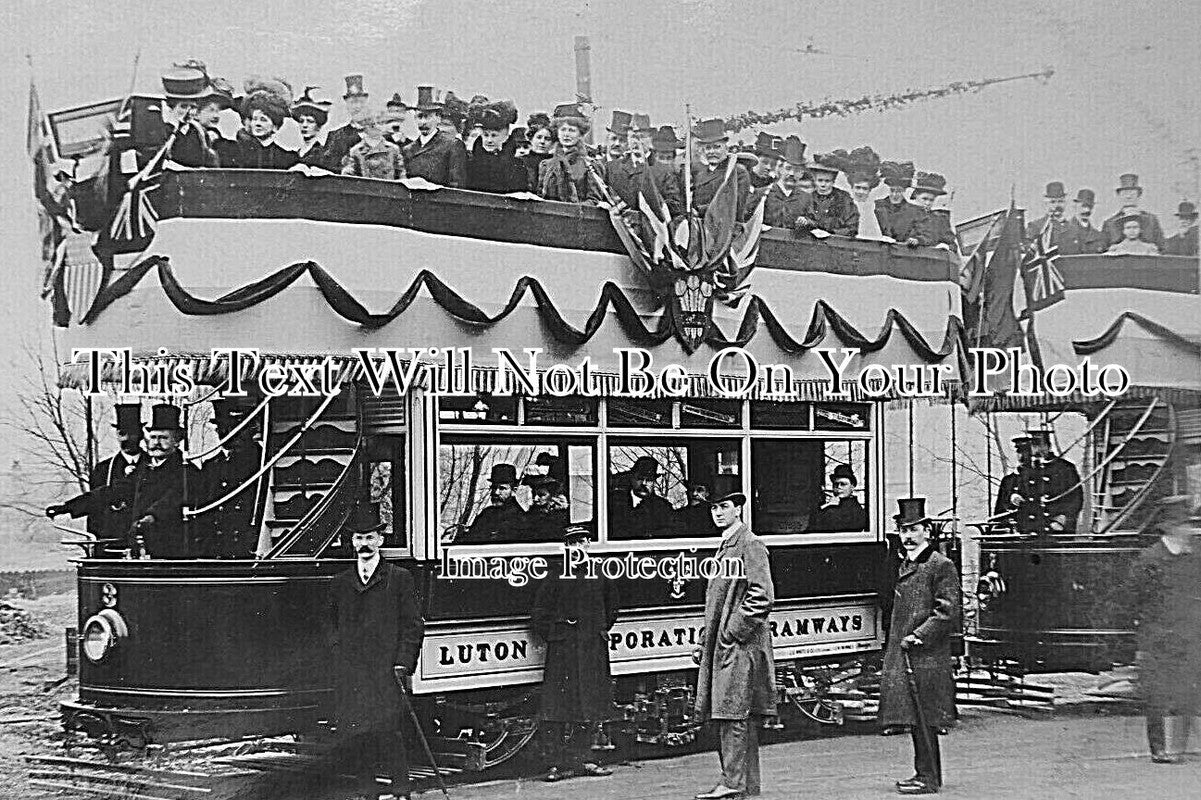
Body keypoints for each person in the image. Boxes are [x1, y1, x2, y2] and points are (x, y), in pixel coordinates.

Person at [327, 501, 424, 800]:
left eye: (370, 537)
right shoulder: (341, 583)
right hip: (353, 673)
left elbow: (412, 626)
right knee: (358, 734)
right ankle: (367, 790)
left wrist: (403, 664)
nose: (364, 544)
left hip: (386, 672)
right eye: (358, 538)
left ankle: (401, 790)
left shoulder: (398, 579)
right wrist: (339, 656)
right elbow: (330, 626)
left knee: (390, 732)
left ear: (381, 540)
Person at [692, 481, 775, 800]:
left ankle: (732, 783)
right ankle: (744, 785)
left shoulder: (749, 544)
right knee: (738, 714)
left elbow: (762, 595)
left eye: (724, 506)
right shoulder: (728, 544)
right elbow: (717, 601)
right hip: (729, 644)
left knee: (731, 714)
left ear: (738, 508)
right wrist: (706, 640)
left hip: (740, 646)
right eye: (713, 507)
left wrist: (731, 632)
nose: (717, 512)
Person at [878, 498, 959, 796]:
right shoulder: (906, 563)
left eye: (914, 529)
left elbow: (947, 612)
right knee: (915, 717)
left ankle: (929, 777)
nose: (908, 535)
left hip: (925, 655)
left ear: (927, 530)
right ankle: (922, 772)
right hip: (907, 653)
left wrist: (919, 636)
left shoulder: (940, 564)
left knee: (925, 717)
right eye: (903, 530)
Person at [532, 524, 619, 782]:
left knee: (589, 708)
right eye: (572, 543)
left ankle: (587, 761)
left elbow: (612, 608)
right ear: (566, 547)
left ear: (588, 545)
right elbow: (539, 613)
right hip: (564, 651)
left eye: (582, 542)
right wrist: (557, 635)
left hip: (591, 649)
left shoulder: (601, 575)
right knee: (558, 711)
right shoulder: (554, 576)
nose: (577, 548)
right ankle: (556, 765)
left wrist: (596, 631)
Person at [1126, 496, 1201, 764]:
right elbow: (1133, 600)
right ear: (1169, 528)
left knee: (1191, 690)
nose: (1189, 531)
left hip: (1190, 634)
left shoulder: (1195, 557)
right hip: (1157, 636)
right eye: (1184, 526)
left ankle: (1180, 747)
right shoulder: (1149, 560)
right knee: (1156, 693)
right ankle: (1158, 749)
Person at [46, 403, 145, 557]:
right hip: (111, 546)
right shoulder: (103, 469)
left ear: (141, 434)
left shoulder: (153, 465)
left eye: (133, 433)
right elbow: (96, 503)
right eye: (123, 433)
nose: (128, 438)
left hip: (146, 543)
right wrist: (67, 509)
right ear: (117, 434)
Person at [128, 404, 202, 559]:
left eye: (163, 438)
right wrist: (70, 506)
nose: (156, 443)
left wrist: (152, 516)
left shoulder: (187, 470)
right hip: (142, 544)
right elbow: (115, 490)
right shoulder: (142, 469)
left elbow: (173, 498)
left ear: (176, 441)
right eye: (153, 437)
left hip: (173, 547)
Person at [198, 400, 264, 559]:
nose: (227, 433)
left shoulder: (261, 462)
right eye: (223, 428)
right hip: (217, 548)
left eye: (236, 428)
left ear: (251, 429)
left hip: (248, 545)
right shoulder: (211, 466)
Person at [1012, 429, 1083, 535]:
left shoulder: (1065, 468)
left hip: (1057, 528)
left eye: (1040, 445)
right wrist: (1016, 497)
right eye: (1033, 446)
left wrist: (1062, 519)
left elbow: (1076, 499)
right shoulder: (1026, 470)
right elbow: (1023, 495)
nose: (1036, 450)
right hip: (1030, 529)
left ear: (1048, 446)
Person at [400, 87, 468, 188]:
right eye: (420, 117)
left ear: (438, 118)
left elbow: (457, 184)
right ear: (414, 118)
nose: (423, 122)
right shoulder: (408, 150)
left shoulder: (452, 145)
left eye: (428, 117)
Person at [158, 62, 220, 168]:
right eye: (183, 106)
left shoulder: (199, 132)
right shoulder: (160, 131)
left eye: (193, 107)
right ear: (170, 107)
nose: (190, 112)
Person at [539, 103, 603, 204]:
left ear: (580, 134)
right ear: (557, 132)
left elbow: (594, 201)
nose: (566, 134)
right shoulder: (546, 165)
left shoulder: (590, 166)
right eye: (563, 129)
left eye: (572, 130)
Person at [690, 118, 751, 220]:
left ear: (726, 148)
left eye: (717, 147)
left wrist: (699, 211)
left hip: (728, 229)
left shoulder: (737, 172)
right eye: (708, 148)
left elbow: (734, 205)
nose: (711, 152)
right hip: (702, 229)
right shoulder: (700, 174)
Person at [465, 100, 527, 193]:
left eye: (494, 135)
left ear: (505, 136)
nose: (489, 140)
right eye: (486, 135)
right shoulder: (471, 160)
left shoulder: (516, 164)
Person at [607, 456, 677, 538]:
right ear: (632, 478)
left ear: (654, 482)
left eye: (649, 479)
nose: (644, 483)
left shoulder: (663, 507)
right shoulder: (614, 502)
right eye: (640, 478)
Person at [231, 87, 299, 170]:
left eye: (263, 120)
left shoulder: (286, 158)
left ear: (275, 127)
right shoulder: (238, 152)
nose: (257, 124)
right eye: (255, 119)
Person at [459, 464, 525, 544]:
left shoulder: (520, 518)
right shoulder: (486, 514)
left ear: (514, 490)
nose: (496, 492)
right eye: (493, 487)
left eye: (502, 488)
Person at [794, 155, 858, 237]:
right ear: (815, 181)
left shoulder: (844, 199)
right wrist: (801, 222)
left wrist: (831, 233)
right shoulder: (807, 198)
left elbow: (852, 228)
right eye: (820, 180)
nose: (823, 184)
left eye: (827, 181)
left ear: (833, 181)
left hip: (836, 242)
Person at [753, 135, 808, 229]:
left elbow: (816, 222)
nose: (791, 173)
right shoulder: (762, 193)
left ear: (802, 173)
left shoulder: (806, 198)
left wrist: (806, 222)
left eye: (797, 170)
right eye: (788, 168)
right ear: (779, 168)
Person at [1101, 173, 1166, 250]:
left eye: (1132, 192)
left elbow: (1162, 247)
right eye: (1125, 193)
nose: (1128, 196)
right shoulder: (1110, 223)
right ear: (1120, 195)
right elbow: (1103, 251)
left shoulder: (1151, 220)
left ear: (1139, 194)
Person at [323, 74, 371, 173]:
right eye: (352, 102)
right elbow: (327, 168)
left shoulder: (379, 134)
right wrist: (343, 170)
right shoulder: (335, 136)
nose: (357, 107)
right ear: (347, 105)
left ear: (366, 102)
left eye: (360, 102)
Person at [343, 109, 406, 180]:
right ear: (364, 126)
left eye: (380, 123)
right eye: (372, 124)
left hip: (388, 189)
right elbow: (349, 175)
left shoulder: (393, 149)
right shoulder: (356, 151)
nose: (376, 126)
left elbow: (401, 175)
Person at [809, 464, 868, 532]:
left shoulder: (856, 509)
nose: (838, 487)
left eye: (843, 484)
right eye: (835, 484)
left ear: (852, 486)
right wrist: (827, 505)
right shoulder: (828, 505)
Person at [875, 161, 924, 243]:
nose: (894, 195)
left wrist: (916, 240)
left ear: (904, 191)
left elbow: (919, 233)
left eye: (898, 191)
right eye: (892, 190)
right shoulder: (878, 206)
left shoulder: (914, 211)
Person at [910, 173, 957, 250]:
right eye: (924, 199)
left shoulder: (940, 220)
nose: (927, 203)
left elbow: (953, 246)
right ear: (916, 196)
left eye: (931, 200)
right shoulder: (905, 217)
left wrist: (946, 246)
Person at [290, 88, 333, 169]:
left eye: (310, 121)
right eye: (301, 121)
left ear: (319, 125)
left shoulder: (322, 155)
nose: (304, 125)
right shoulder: (294, 154)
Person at [992, 435, 1033, 520]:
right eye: (1019, 451)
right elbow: (999, 513)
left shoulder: (1040, 478)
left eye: (1026, 451)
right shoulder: (1008, 481)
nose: (1022, 456)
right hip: (1011, 528)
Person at [1025, 181, 1073, 249]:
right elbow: (1025, 247)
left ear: (1065, 203)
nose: (1057, 205)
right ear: (1046, 204)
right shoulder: (1036, 226)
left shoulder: (1072, 227)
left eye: (1060, 201)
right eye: (1053, 202)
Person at [525, 475, 570, 542]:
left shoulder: (560, 517)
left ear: (553, 496)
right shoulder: (530, 515)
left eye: (541, 495)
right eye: (534, 494)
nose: (536, 499)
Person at [520, 113, 555, 192]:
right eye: (539, 137)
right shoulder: (520, 161)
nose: (542, 142)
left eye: (547, 139)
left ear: (552, 143)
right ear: (531, 138)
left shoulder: (555, 163)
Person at [1066, 188, 1107, 254]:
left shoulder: (1098, 236)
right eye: (1083, 206)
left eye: (1090, 207)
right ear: (1075, 206)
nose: (1087, 210)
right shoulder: (1064, 231)